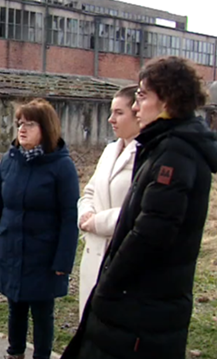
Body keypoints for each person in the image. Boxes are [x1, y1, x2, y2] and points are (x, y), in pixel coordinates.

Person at [61, 56, 217, 359]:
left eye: (142, 95)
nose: (136, 106)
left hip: (142, 305)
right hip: (139, 301)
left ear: (167, 100)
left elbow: (150, 233)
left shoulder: (176, 153)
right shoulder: (163, 146)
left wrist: (109, 282)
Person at [0, 98, 80, 359]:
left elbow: (69, 217)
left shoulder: (61, 167)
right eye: (20, 123)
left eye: (30, 124)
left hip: (43, 254)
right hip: (11, 247)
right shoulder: (9, 161)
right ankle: (14, 353)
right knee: (15, 305)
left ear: (46, 129)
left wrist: (63, 261)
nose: (22, 129)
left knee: (42, 312)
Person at [76, 85, 139, 319]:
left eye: (119, 113)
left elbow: (139, 211)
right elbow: (90, 190)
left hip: (121, 255)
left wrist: (97, 222)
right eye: (111, 112)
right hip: (94, 253)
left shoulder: (146, 155)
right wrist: (85, 213)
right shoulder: (110, 150)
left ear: (137, 113)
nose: (111, 119)